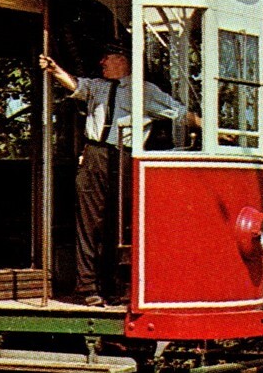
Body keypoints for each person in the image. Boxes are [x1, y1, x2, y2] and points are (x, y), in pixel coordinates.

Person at [39, 46, 203, 305]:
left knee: (119, 223)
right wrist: (54, 69)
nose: (102, 61)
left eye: (108, 57)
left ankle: (116, 286)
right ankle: (87, 287)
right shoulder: (97, 86)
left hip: (125, 157)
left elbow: (180, 114)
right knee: (88, 220)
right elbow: (74, 85)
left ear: (123, 61)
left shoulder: (145, 91)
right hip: (95, 154)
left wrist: (215, 130)